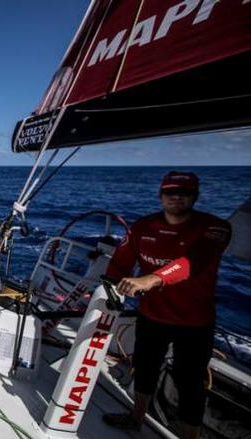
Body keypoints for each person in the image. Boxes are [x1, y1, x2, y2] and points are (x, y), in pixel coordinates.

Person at [102, 171, 231, 439]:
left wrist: (150, 279)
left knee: (190, 383)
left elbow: (191, 263)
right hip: (152, 315)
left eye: (183, 193)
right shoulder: (143, 227)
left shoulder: (215, 228)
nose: (176, 198)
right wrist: (104, 290)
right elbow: (119, 263)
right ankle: (135, 417)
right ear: (161, 195)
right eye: (170, 192)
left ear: (195, 196)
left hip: (194, 322)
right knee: (145, 368)